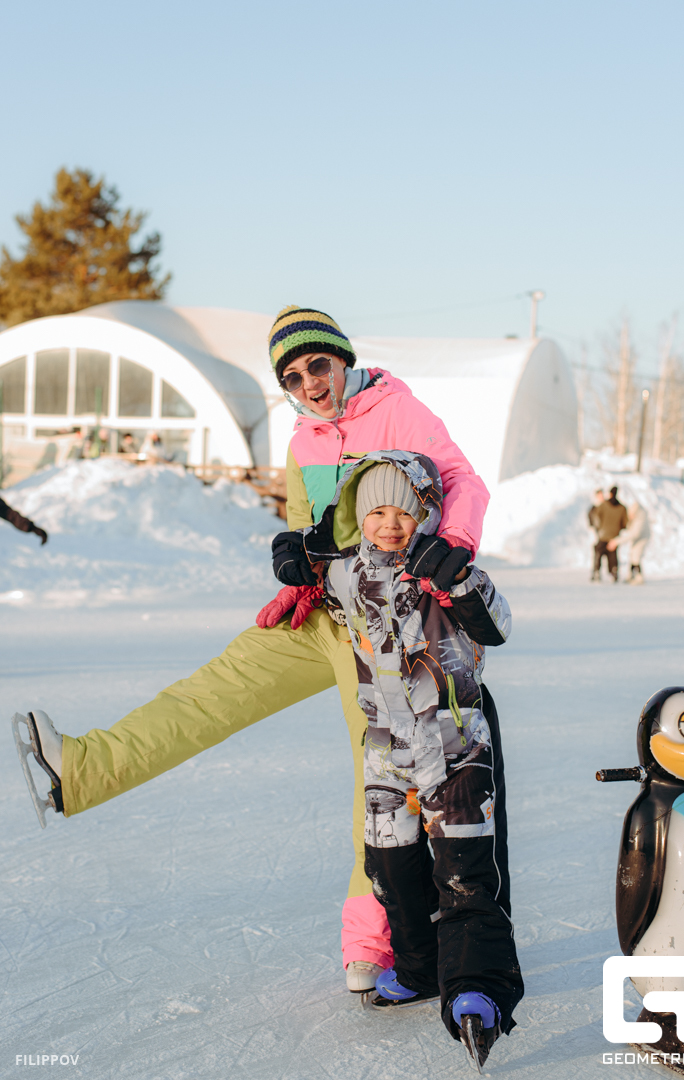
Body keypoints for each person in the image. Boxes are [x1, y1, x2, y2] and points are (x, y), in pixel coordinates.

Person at [16, 305, 490, 996]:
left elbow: (463, 481)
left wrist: (455, 544)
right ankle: (85, 769)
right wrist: (297, 563)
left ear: (342, 360)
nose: (310, 383)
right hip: (324, 612)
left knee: (384, 777)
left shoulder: (398, 412)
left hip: (391, 629)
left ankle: (375, 941)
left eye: (318, 365)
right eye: (292, 377)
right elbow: (312, 529)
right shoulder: (304, 442)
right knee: (217, 688)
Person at [312, 452, 522, 1069]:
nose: (390, 524)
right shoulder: (345, 574)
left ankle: (477, 987)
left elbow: (498, 626)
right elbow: (313, 579)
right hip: (385, 754)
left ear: (425, 514)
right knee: (391, 872)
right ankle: (419, 966)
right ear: (359, 516)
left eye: (404, 512)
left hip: (456, 749)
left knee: (465, 875)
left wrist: (461, 580)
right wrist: (297, 559)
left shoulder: (447, 570)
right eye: (376, 512)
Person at [607, 501, 650, 584]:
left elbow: (634, 534)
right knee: (632, 555)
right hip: (637, 538)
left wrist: (616, 541)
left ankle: (638, 576)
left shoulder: (640, 519)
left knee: (636, 557)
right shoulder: (636, 517)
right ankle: (631, 575)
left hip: (642, 538)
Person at [592, 486, 627, 583]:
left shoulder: (604, 505)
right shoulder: (622, 508)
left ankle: (596, 571)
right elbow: (624, 523)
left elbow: (596, 516)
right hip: (614, 536)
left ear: (610, 494)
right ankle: (614, 571)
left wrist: (599, 528)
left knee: (598, 552)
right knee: (612, 555)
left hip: (603, 534)